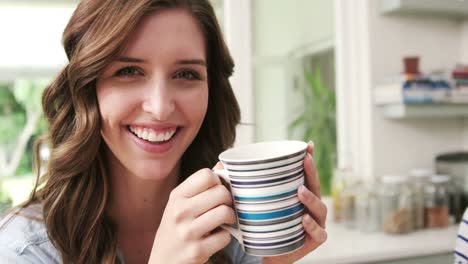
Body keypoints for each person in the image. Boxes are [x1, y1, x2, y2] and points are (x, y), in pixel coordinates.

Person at [0, 0, 328, 263]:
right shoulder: (24, 251)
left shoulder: (237, 236)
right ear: (88, 89)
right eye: (129, 71)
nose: (159, 107)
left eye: (186, 74)